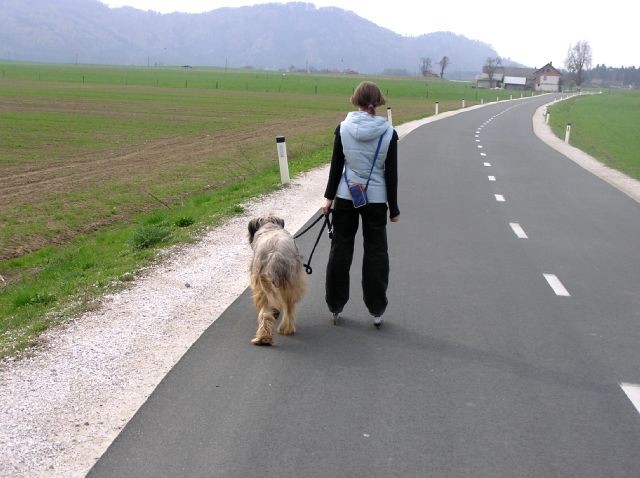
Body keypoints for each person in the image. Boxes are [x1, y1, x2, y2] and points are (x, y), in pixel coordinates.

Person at [322, 81, 400, 329]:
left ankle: (335, 305)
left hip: (346, 196)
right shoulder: (389, 133)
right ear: (378, 102)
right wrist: (394, 208)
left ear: (355, 100)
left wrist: (328, 197)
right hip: (376, 201)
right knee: (376, 253)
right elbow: (391, 174)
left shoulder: (343, 128)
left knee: (340, 250)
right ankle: (377, 309)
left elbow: (336, 166)